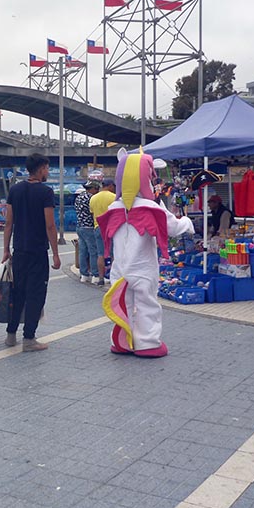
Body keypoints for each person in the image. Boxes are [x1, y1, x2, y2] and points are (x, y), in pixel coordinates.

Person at [97, 149, 194, 358]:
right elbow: (174, 228)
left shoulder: (114, 208)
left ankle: (121, 342)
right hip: (142, 268)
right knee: (146, 305)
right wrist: (187, 222)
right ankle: (147, 343)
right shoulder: (152, 207)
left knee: (122, 303)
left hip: (119, 269)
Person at [1, 153, 61, 352]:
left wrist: (5, 250)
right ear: (41, 168)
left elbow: (9, 223)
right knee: (35, 294)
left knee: (17, 293)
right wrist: (56, 254)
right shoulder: (45, 192)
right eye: (47, 168)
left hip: (19, 251)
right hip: (37, 252)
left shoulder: (15, 190)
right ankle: (29, 339)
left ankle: (11, 335)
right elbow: (50, 225)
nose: (48, 172)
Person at [90, 178, 117, 286]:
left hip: (98, 227)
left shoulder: (93, 198)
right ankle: (113, 278)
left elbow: (92, 212)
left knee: (100, 254)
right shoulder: (114, 197)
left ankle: (101, 279)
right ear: (110, 186)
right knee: (114, 254)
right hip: (111, 228)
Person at [75, 177, 100, 283]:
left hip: (80, 226)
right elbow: (93, 212)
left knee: (83, 251)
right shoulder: (91, 198)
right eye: (96, 189)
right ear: (93, 188)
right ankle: (95, 274)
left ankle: (84, 274)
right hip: (89, 227)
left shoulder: (79, 197)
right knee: (93, 251)